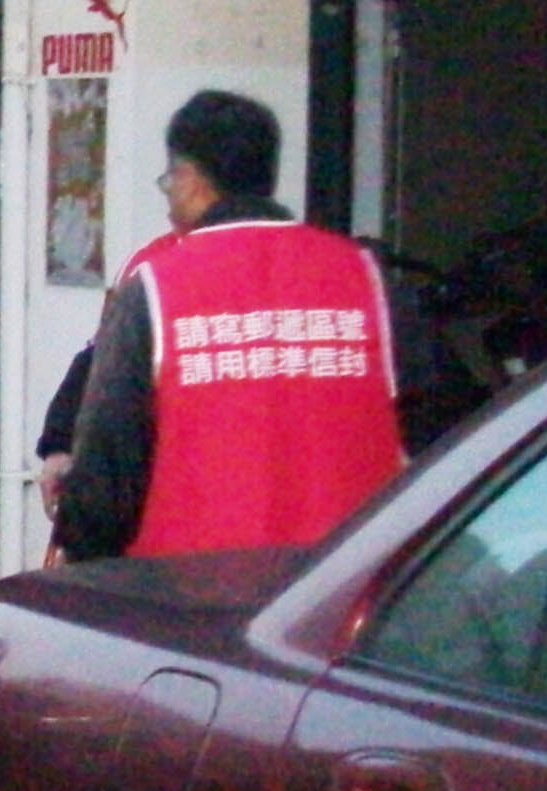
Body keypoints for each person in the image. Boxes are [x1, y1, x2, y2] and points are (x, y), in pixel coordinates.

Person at [53, 88, 405, 562]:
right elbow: (432, 434)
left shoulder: (156, 288)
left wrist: (80, 546)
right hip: (344, 588)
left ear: (191, 177)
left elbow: (107, 477)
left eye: (170, 178)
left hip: (190, 596)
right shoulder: (367, 278)